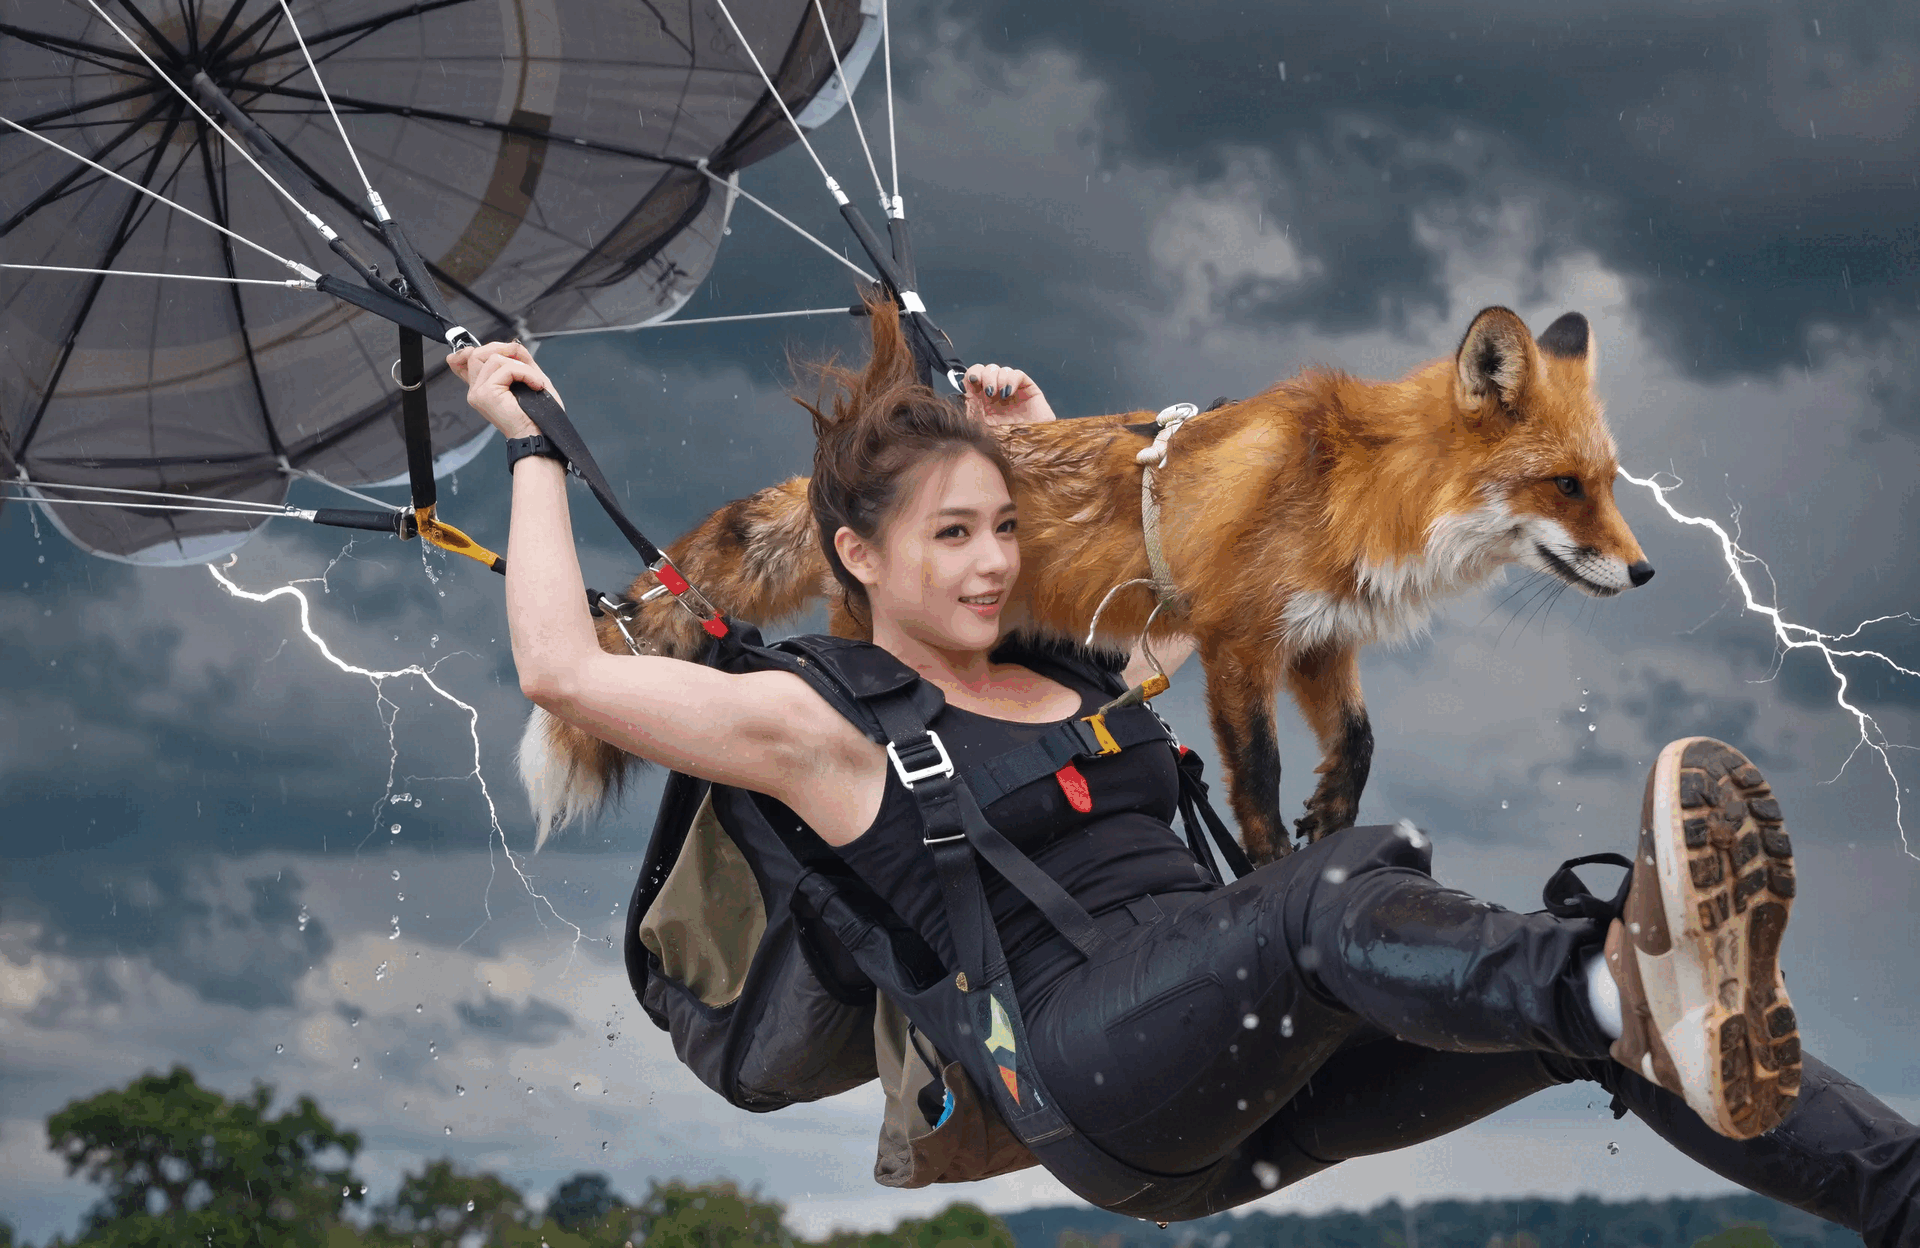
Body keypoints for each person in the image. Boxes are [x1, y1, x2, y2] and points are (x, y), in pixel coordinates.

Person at [450, 315, 1919, 1245]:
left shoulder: (1091, 665)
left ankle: (1880, 1182)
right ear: (854, 558)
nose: (989, 560)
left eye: (998, 529)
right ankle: (1613, 977)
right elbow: (565, 678)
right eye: (947, 536)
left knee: (1583, 1023)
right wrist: (533, 453)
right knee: (1345, 888)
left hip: (1239, 1074)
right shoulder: (818, 723)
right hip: (1088, 1070)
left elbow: (1182, 549)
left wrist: (1036, 448)